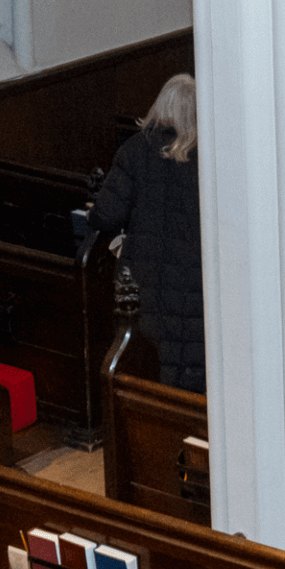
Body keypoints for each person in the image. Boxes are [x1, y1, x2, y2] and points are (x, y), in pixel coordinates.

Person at [90, 74, 206, 393]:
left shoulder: (135, 150)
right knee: (193, 354)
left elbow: (105, 214)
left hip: (146, 275)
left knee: (155, 359)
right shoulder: (211, 155)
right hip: (197, 276)